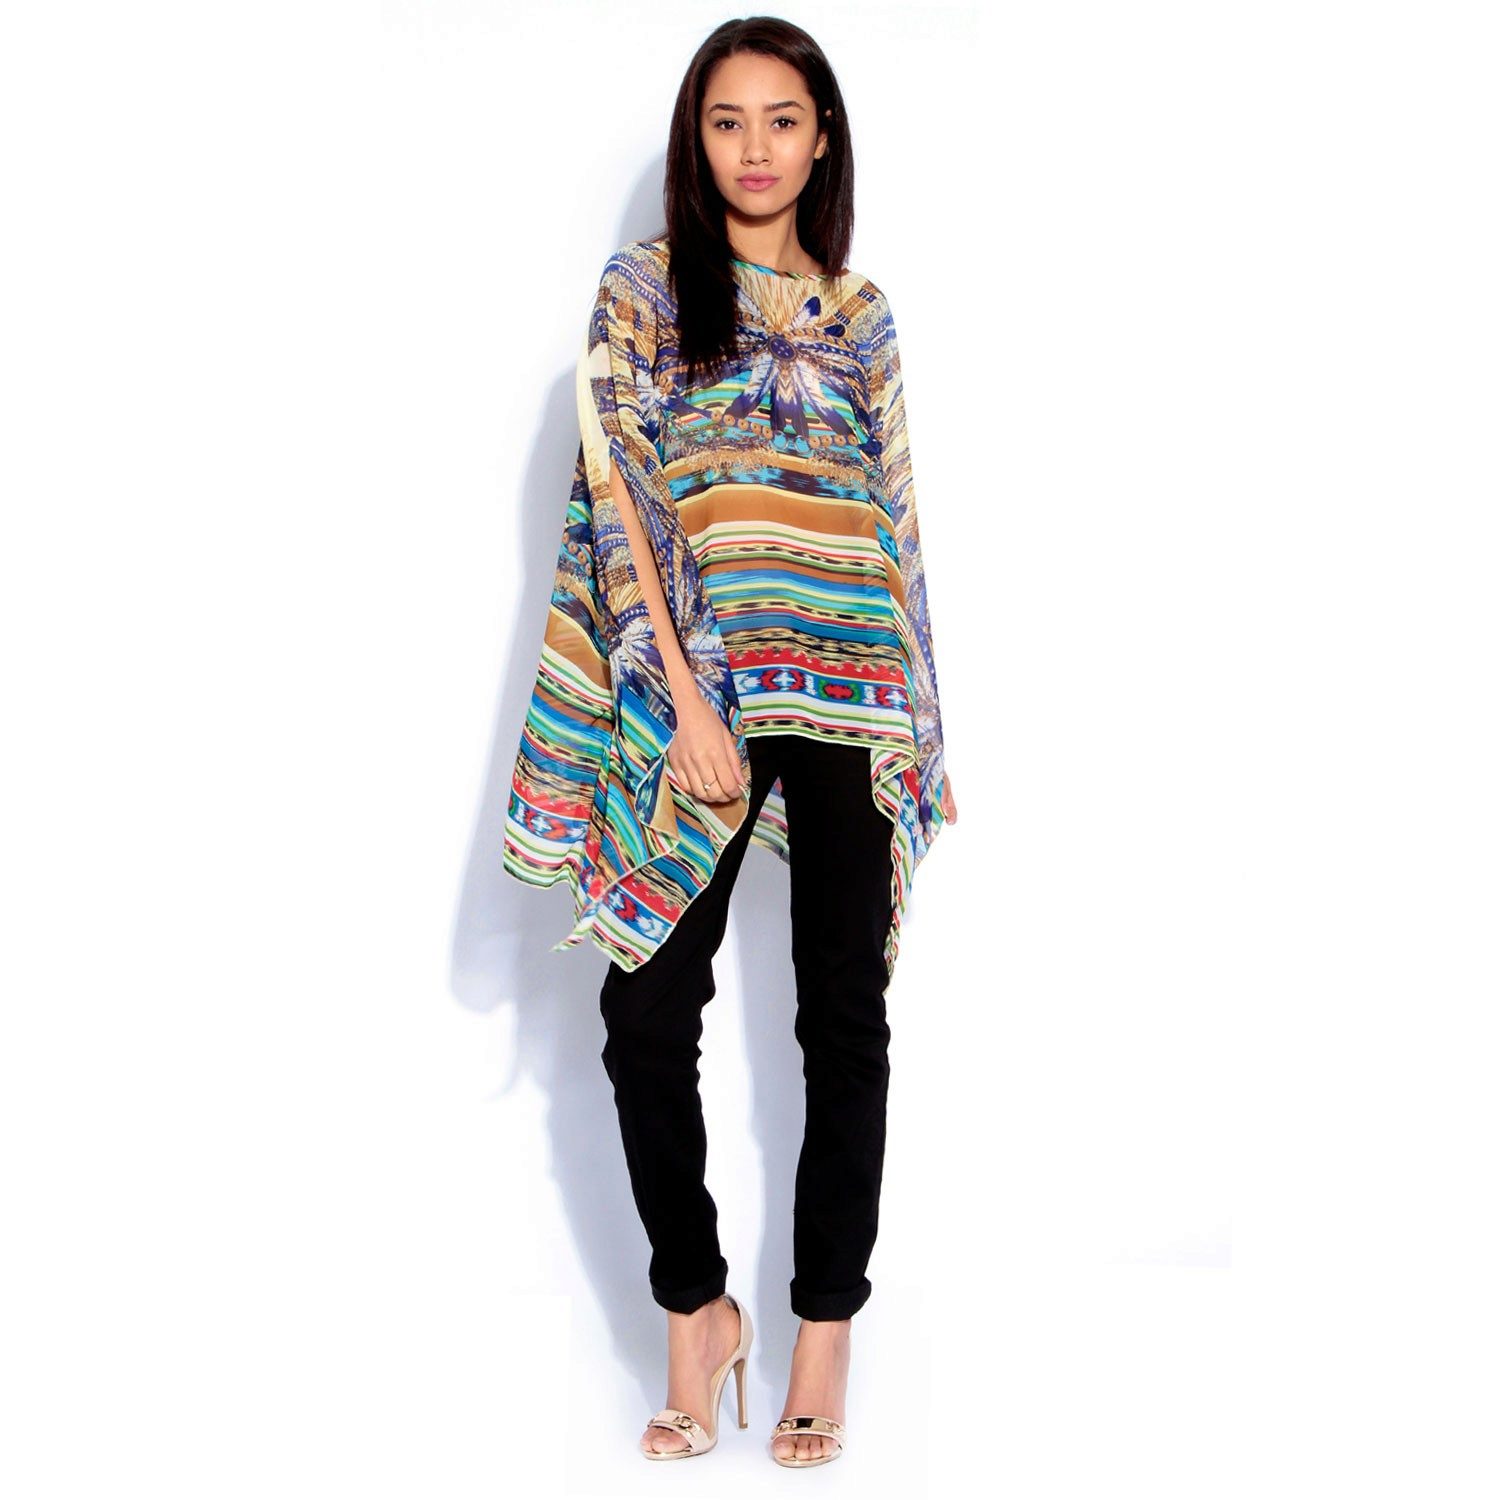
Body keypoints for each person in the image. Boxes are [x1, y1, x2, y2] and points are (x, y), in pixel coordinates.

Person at [502, 16, 957, 1468]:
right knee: (644, 1014)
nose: (755, 148)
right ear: (696, 145)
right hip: (703, 691)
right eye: (726, 121)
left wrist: (919, 723)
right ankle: (697, 1311)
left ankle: (824, 1328)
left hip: (851, 690)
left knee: (844, 1021)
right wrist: (687, 702)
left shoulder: (862, 316)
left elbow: (893, 520)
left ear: (822, 141)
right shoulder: (643, 292)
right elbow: (620, 497)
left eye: (783, 119)